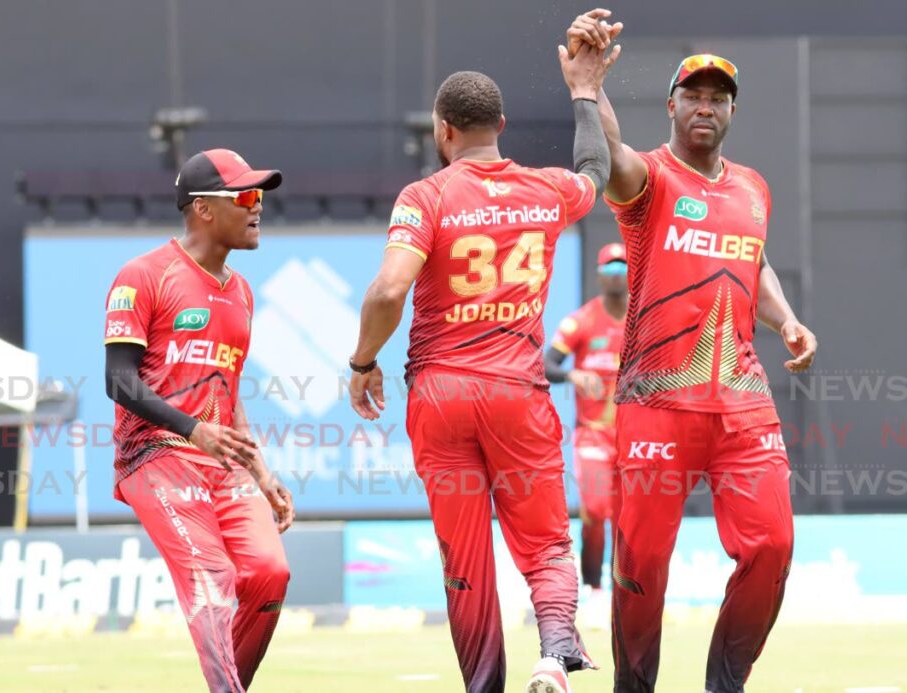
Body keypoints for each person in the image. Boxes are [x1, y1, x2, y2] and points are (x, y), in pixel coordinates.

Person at [346, 37, 620, 693]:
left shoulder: (426, 196)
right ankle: (555, 653)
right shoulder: (547, 190)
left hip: (439, 392)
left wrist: (363, 362)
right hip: (514, 391)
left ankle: (484, 686)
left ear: (444, 131)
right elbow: (597, 169)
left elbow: (388, 291)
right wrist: (583, 90)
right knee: (549, 544)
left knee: (464, 557)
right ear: (501, 126)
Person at [567, 10, 818, 693]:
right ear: (673, 104)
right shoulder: (648, 180)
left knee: (772, 546)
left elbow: (753, 262)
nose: (705, 106)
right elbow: (605, 156)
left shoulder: (752, 187)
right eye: (694, 95)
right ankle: (636, 686)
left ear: (731, 110)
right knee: (642, 564)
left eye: (718, 97)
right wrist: (587, 88)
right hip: (657, 402)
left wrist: (787, 320)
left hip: (742, 401)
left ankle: (725, 684)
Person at [104, 149, 295, 693]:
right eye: (248, 197)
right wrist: (192, 430)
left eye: (261, 197)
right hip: (154, 455)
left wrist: (260, 468)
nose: (259, 208)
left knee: (269, 576)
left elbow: (226, 391)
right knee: (212, 579)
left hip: (219, 462)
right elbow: (118, 380)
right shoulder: (143, 275)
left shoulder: (243, 292)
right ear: (204, 209)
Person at [545, 241, 628, 626]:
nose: (617, 273)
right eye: (609, 267)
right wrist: (572, 374)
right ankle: (594, 588)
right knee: (595, 510)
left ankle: (627, 589)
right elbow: (545, 365)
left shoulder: (644, 319)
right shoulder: (581, 322)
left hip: (633, 436)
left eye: (623, 266)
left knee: (631, 517)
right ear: (599, 274)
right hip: (592, 434)